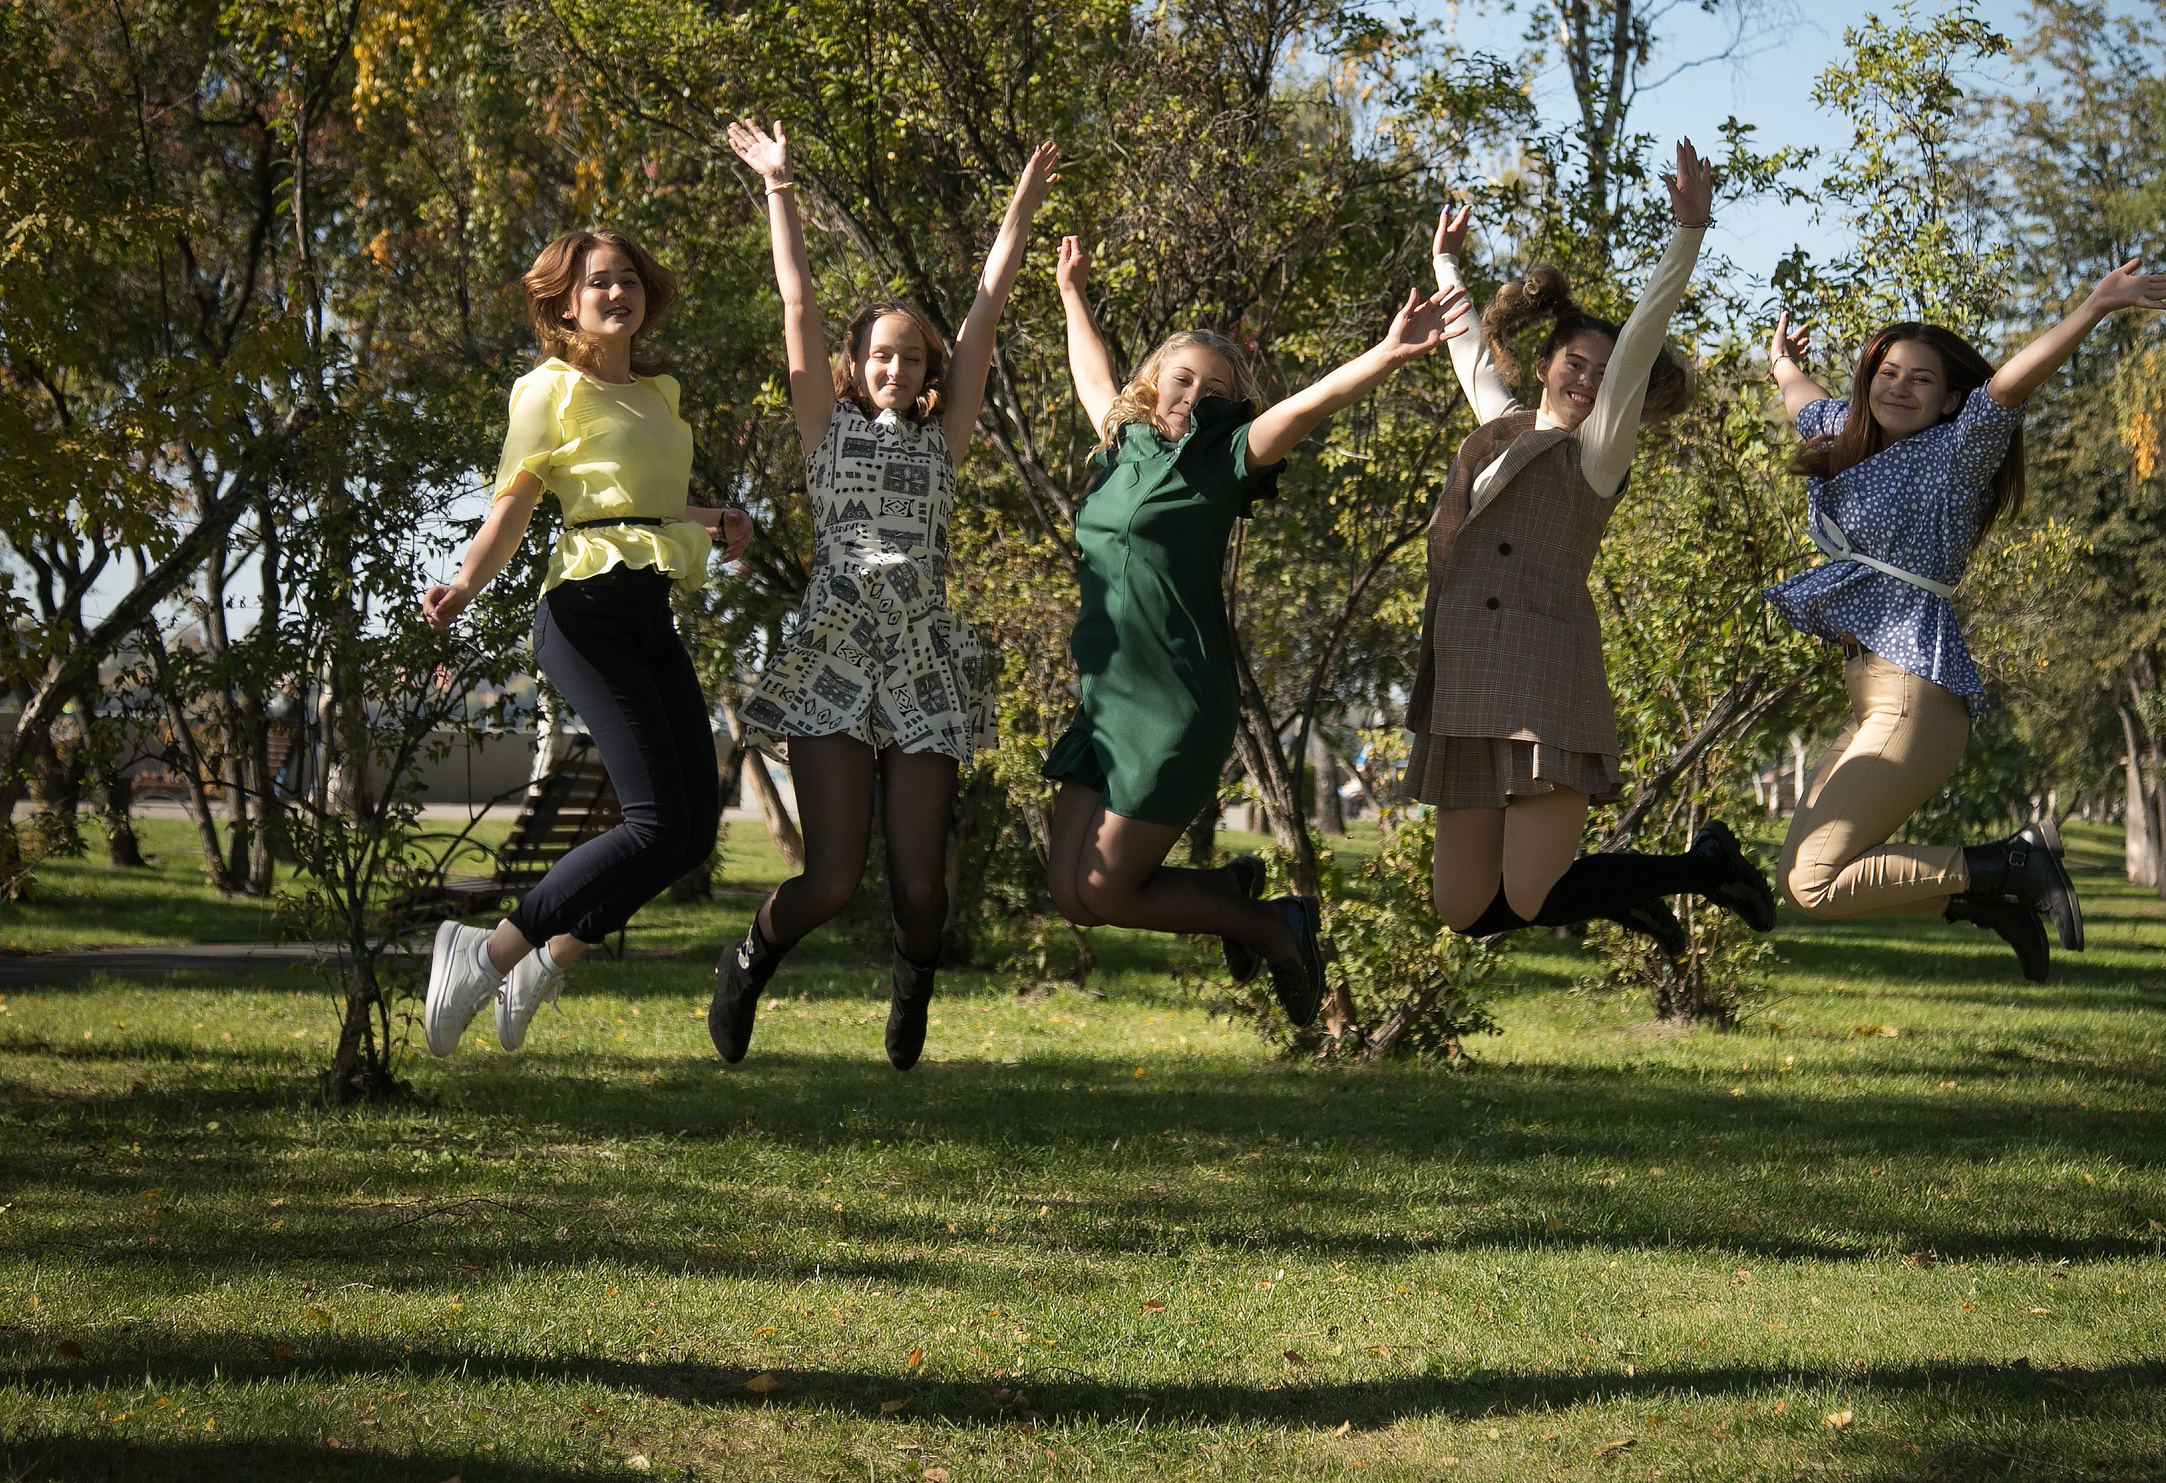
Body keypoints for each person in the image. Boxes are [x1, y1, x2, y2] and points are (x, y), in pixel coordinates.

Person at [1042, 236, 1468, 1026]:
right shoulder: (1124, 442)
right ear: (1153, 382)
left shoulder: (1223, 459)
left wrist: (1385, 355)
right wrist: (1072, 292)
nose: (1193, 394)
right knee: (1073, 895)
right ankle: (1228, 893)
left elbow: (1307, 405)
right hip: (1105, 699)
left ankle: (1274, 925)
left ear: (1230, 405)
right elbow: (1091, 372)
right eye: (1181, 378)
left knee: (1103, 885)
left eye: (1215, 388)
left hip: (1174, 703)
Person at [707, 121, 1057, 1069]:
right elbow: (797, 302)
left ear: (930, 371)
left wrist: (1020, 211)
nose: (894, 367)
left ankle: (913, 977)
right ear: (856, 366)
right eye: (878, 355)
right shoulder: (824, 430)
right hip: (833, 647)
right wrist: (779, 185)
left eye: (910, 355)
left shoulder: (946, 439)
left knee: (918, 887)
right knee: (828, 880)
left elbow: (985, 307)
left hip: (922, 657)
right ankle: (748, 960)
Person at [1762, 257, 2166, 978]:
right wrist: (1781, 362)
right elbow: (1801, 400)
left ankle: (2012, 863)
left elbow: (2009, 385)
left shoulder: (1957, 452)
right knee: (1797, 879)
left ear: (1950, 400)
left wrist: (2093, 308)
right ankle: (1989, 896)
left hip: (1912, 695)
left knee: (1815, 880)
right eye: (1887, 373)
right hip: (1874, 696)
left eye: (1921, 379)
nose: (1899, 387)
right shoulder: (1846, 435)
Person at [1406, 138, 1777, 956]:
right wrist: (1444, 263)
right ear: (1544, 365)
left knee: (1534, 891)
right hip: (1467, 673)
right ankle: (1631, 893)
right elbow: (1466, 349)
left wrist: (1688, 235)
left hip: (1543, 671)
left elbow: (1641, 338)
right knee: (1463, 906)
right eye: (1576, 363)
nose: (1589, 380)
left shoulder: (1597, 454)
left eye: (1604, 376)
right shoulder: (1503, 430)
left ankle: (1701, 869)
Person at [419, 231, 753, 1055]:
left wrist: (715, 519)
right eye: (598, 282)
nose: (617, 292)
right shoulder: (549, 389)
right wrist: (464, 585)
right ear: (566, 305)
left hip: (648, 611)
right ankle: (485, 952)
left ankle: (546, 960)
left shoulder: (657, 394)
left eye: (629, 278)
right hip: (584, 615)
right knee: (653, 822)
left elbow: (642, 506)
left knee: (691, 831)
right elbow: (513, 506)